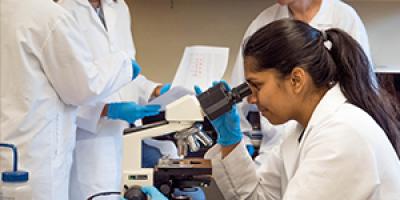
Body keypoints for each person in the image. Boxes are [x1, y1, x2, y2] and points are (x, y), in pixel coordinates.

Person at [201, 19, 400, 199]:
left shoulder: (341, 135)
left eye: (257, 86)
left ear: (296, 80)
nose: (251, 99)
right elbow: (259, 196)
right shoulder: (298, 132)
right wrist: (231, 142)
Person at [0, 0, 140, 199]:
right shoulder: (50, 16)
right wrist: (123, 65)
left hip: (11, 148)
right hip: (36, 158)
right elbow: (82, 88)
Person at [231, 0, 375, 165]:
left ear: (297, 79)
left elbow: (361, 89)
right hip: (274, 153)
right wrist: (238, 142)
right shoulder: (263, 22)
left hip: (327, 143)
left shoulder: (344, 18)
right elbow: (245, 91)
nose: (253, 99)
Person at [57, 0, 175, 199]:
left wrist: (155, 90)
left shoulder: (119, 7)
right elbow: (61, 94)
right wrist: (106, 110)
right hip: (91, 145)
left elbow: (128, 73)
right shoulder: (62, 11)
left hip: (127, 138)